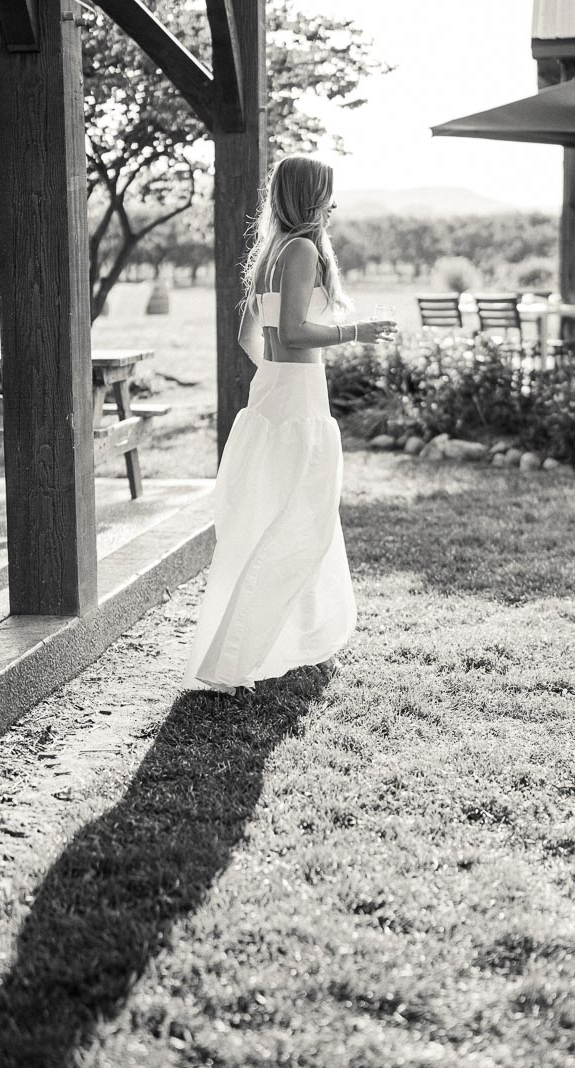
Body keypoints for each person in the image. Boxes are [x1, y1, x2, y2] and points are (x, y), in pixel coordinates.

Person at [181, 154, 397, 696]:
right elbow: (297, 332)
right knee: (300, 527)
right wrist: (357, 332)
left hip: (274, 397)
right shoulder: (300, 250)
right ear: (309, 197)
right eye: (327, 192)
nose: (333, 203)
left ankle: (287, 639)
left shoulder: (273, 251)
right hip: (297, 404)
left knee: (288, 522)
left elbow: (248, 340)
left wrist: (276, 377)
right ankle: (244, 652)